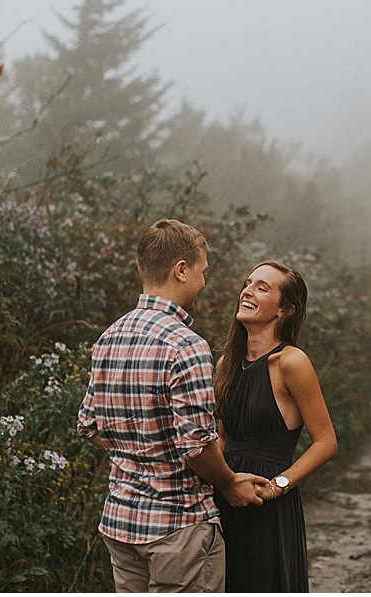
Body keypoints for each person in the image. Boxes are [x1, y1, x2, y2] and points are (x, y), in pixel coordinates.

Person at [77, 219, 268, 592]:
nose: (204, 282)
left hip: (121, 522)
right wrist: (229, 482)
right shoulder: (187, 345)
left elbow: (89, 426)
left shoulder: (108, 338)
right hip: (177, 529)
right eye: (202, 271)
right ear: (181, 270)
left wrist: (136, 458)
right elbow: (196, 445)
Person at [213, 261, 338, 592]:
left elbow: (326, 442)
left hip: (267, 504)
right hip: (224, 495)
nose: (248, 291)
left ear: (285, 309)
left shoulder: (291, 362)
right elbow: (222, 441)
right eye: (248, 283)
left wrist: (279, 484)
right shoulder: (226, 364)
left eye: (262, 287)